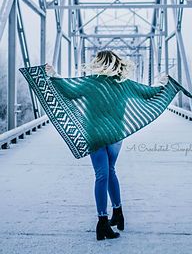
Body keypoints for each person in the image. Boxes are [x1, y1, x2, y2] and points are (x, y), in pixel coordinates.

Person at [45, 50, 136, 241]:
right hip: (115, 135)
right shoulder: (123, 84)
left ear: (99, 63)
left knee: (102, 174)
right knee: (110, 170)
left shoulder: (91, 82)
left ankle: (103, 222)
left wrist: (54, 74)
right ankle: (118, 213)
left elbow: (68, 91)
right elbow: (148, 94)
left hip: (94, 134)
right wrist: (163, 84)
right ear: (115, 63)